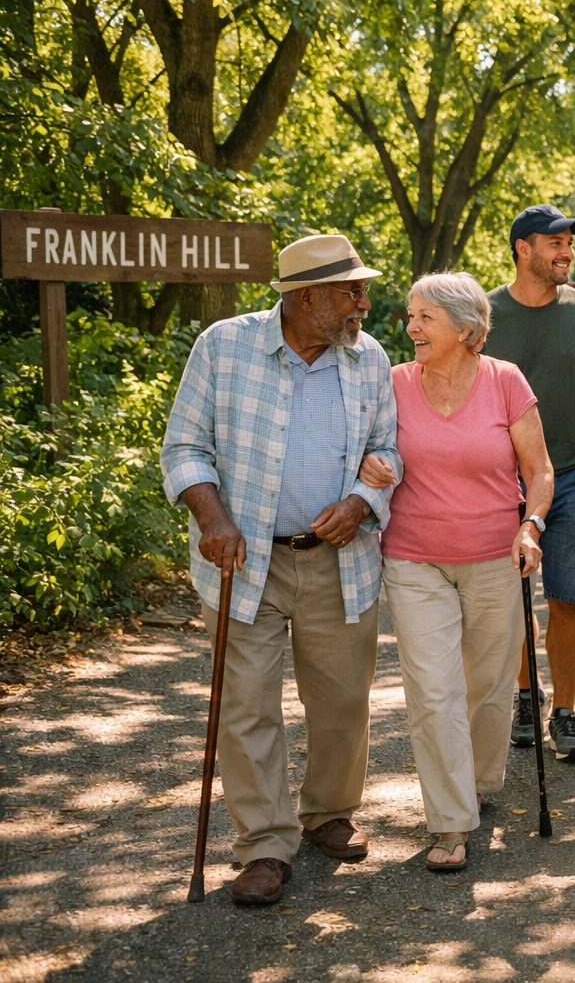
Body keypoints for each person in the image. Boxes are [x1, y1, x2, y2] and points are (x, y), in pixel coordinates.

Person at [160, 234, 400, 905]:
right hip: (246, 561)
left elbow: (388, 449)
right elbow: (183, 446)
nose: (364, 302)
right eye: (350, 291)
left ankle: (327, 812)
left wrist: (362, 501)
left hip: (339, 560)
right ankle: (263, 845)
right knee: (248, 707)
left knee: (344, 702)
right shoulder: (223, 346)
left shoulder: (369, 358)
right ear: (303, 298)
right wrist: (212, 518)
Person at [355, 272, 555, 871]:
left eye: (424, 318)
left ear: (465, 330)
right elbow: (365, 444)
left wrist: (532, 525)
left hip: (496, 556)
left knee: (490, 690)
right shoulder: (391, 384)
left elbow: (540, 471)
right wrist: (369, 462)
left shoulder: (504, 382)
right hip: (414, 558)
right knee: (434, 692)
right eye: (412, 317)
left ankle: (480, 782)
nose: (410, 327)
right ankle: (449, 822)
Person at [483, 203, 575, 759]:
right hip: (498, 480)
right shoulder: (482, 314)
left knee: (568, 598)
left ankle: (564, 712)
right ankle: (523, 697)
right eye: (555, 243)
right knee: (511, 597)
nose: (567, 252)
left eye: (569, 244)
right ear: (523, 249)